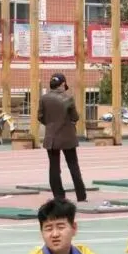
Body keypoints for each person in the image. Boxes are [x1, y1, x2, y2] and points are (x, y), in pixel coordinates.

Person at [39, 73, 87, 202]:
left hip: (51, 138)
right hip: (68, 137)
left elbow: (40, 117)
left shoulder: (44, 98)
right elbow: (75, 117)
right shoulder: (68, 99)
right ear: (62, 84)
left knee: (54, 168)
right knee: (73, 166)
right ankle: (81, 195)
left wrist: (50, 125)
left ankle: (58, 196)